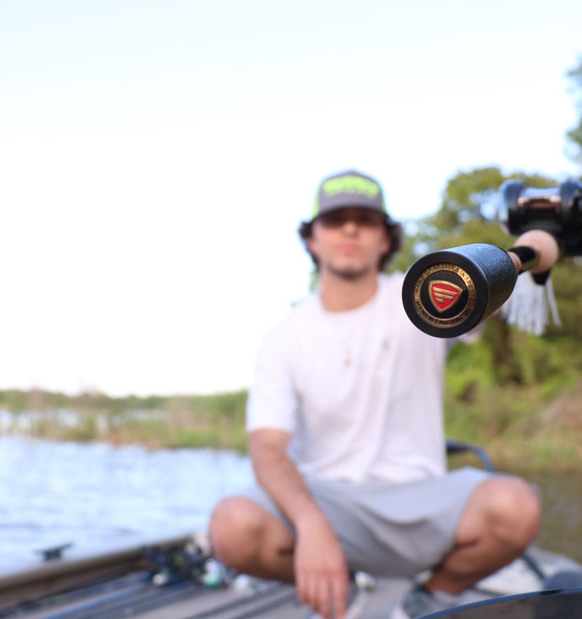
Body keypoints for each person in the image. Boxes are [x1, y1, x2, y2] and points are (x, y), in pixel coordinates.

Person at [208, 170, 556, 619]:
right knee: (231, 526)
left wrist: (540, 243)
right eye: (335, 220)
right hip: (326, 504)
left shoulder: (424, 292)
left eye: (365, 220)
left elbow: (510, 283)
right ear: (313, 240)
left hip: (420, 501)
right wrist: (312, 527)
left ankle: (430, 597)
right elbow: (267, 448)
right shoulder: (284, 336)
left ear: (385, 240)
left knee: (517, 506)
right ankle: (338, 580)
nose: (350, 229)